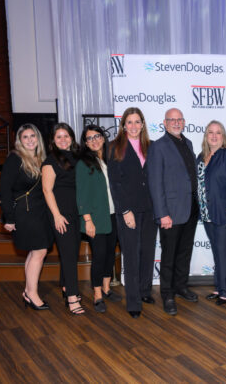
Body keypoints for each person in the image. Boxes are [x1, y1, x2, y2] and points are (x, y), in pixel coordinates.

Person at [147, 108, 199, 316]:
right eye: (172, 120)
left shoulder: (188, 143)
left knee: (184, 252)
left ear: (184, 122)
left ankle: (180, 286)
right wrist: (162, 214)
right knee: (168, 255)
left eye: (179, 119)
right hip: (170, 212)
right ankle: (167, 293)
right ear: (165, 123)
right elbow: (155, 183)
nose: (176, 123)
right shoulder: (158, 147)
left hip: (190, 209)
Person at [108, 108, 157, 319]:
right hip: (128, 210)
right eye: (130, 122)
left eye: (137, 122)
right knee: (131, 256)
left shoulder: (151, 146)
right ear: (123, 125)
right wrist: (125, 210)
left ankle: (145, 291)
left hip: (150, 208)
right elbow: (115, 184)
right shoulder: (114, 147)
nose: (134, 126)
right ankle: (134, 301)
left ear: (143, 124)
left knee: (147, 252)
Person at [0, 123, 53, 310]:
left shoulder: (41, 158)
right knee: (39, 251)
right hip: (24, 213)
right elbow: (4, 190)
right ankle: (32, 293)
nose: (30, 140)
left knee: (35, 251)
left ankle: (28, 291)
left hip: (39, 211)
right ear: (19, 141)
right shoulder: (15, 158)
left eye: (33, 136)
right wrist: (9, 218)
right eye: (25, 137)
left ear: (38, 138)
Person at [195, 121, 226, 306]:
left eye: (218, 133)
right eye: (210, 132)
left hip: (225, 214)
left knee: (225, 253)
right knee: (217, 252)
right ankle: (219, 286)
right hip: (207, 214)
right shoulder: (201, 157)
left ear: (223, 137)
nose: (214, 136)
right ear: (206, 135)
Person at [76, 125, 121, 313]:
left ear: (103, 138)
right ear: (85, 143)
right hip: (95, 218)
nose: (94, 140)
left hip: (113, 215)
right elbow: (81, 195)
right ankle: (97, 295)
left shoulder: (111, 159)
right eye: (89, 138)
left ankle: (106, 287)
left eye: (97, 136)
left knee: (110, 254)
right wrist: (87, 220)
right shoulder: (83, 163)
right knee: (99, 256)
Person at [41, 123, 84, 315]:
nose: (63, 139)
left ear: (72, 138)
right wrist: (57, 216)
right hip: (60, 213)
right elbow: (47, 190)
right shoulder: (50, 162)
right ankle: (73, 298)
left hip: (75, 212)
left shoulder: (76, 157)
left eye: (66, 136)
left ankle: (67, 287)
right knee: (68, 255)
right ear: (53, 141)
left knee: (72, 252)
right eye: (58, 137)